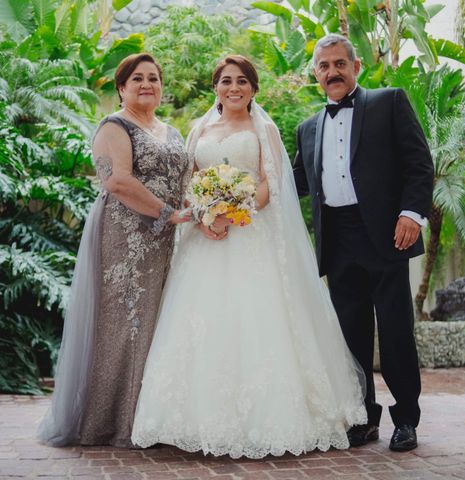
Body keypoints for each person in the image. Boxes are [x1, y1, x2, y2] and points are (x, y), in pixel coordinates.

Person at [131, 55, 367, 458]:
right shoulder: (199, 129)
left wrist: (235, 211)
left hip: (250, 234)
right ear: (216, 88)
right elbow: (189, 183)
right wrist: (205, 216)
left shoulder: (264, 129)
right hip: (204, 240)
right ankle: (192, 421)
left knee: (258, 321)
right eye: (226, 81)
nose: (234, 87)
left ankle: (269, 420)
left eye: (242, 81)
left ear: (254, 89)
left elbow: (269, 183)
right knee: (201, 324)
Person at [37, 53, 191, 447]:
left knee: (158, 325)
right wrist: (169, 214)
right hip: (126, 237)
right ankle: (110, 421)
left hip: (168, 240)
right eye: (136, 78)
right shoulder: (114, 126)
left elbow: (188, 180)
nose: (147, 84)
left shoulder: (172, 132)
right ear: (121, 87)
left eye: (154, 78)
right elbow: (117, 182)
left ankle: (148, 419)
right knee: (123, 325)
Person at [293, 34, 434, 451]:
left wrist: (412, 214)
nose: (332, 72)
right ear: (315, 74)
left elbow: (418, 163)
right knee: (349, 338)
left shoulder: (388, 102)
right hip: (337, 241)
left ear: (355, 67)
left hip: (387, 234)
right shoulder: (307, 128)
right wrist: (243, 187)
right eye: (324, 66)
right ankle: (363, 417)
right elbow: (295, 183)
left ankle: (406, 419)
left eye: (339, 63)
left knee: (395, 334)